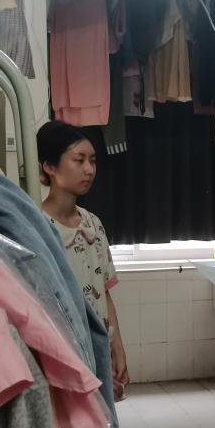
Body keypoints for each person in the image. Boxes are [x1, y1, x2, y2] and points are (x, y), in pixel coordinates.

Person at [37, 120, 129, 400]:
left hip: (99, 348)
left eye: (92, 160)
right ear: (49, 167)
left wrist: (117, 347)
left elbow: (105, 293)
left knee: (103, 422)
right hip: (61, 353)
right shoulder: (38, 227)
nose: (89, 169)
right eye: (79, 160)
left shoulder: (93, 224)